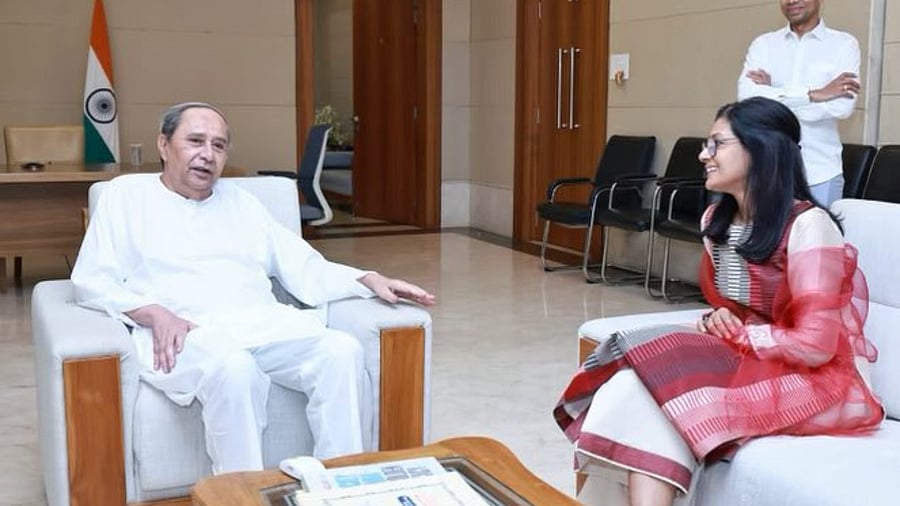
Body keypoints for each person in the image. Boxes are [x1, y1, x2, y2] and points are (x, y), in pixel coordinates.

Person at [71, 101, 435, 474]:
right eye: (195, 141)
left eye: (218, 145)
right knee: (235, 368)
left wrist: (368, 279)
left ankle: (341, 486)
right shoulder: (125, 197)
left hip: (259, 324)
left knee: (339, 351)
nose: (207, 155)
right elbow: (91, 279)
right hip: (187, 332)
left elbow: (303, 266)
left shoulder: (243, 202)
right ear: (163, 145)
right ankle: (239, 495)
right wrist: (152, 312)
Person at [553, 97, 883, 506]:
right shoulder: (716, 223)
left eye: (716, 144)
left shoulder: (808, 226)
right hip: (760, 361)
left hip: (821, 384)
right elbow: (739, 309)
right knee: (631, 384)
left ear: (760, 149)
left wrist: (742, 334)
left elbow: (816, 345)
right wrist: (721, 320)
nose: (702, 154)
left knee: (652, 391)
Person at [737, 0, 860, 207]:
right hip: (769, 170)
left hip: (821, 172)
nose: (792, 1)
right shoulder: (764, 45)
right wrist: (815, 94)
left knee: (819, 239)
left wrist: (773, 95)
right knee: (769, 240)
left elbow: (842, 107)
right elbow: (747, 100)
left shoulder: (844, 44)